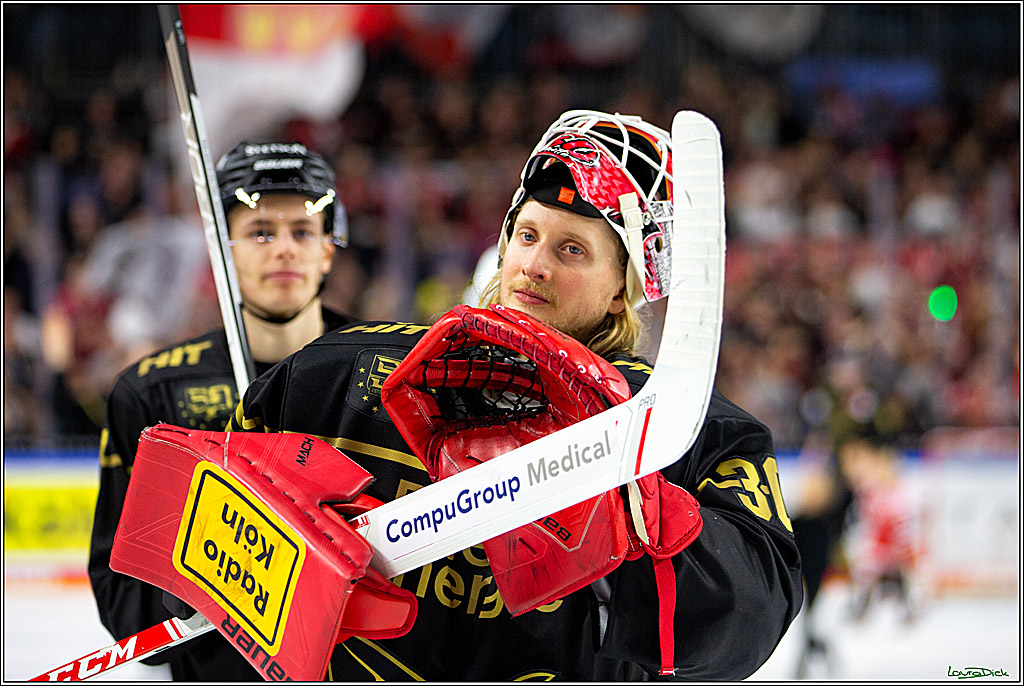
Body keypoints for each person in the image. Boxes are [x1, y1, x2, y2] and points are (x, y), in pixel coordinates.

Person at [227, 111, 803, 679]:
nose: (534, 265)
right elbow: (205, 549)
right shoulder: (342, 370)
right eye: (527, 236)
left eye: (571, 249)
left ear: (620, 291)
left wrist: (636, 519)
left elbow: (756, 617)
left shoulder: (685, 425)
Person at [87, 141, 355, 681]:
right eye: (260, 231)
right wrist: (190, 586)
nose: (284, 249)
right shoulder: (150, 394)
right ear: (221, 250)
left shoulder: (384, 377)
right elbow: (127, 614)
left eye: (303, 231)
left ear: (329, 249)